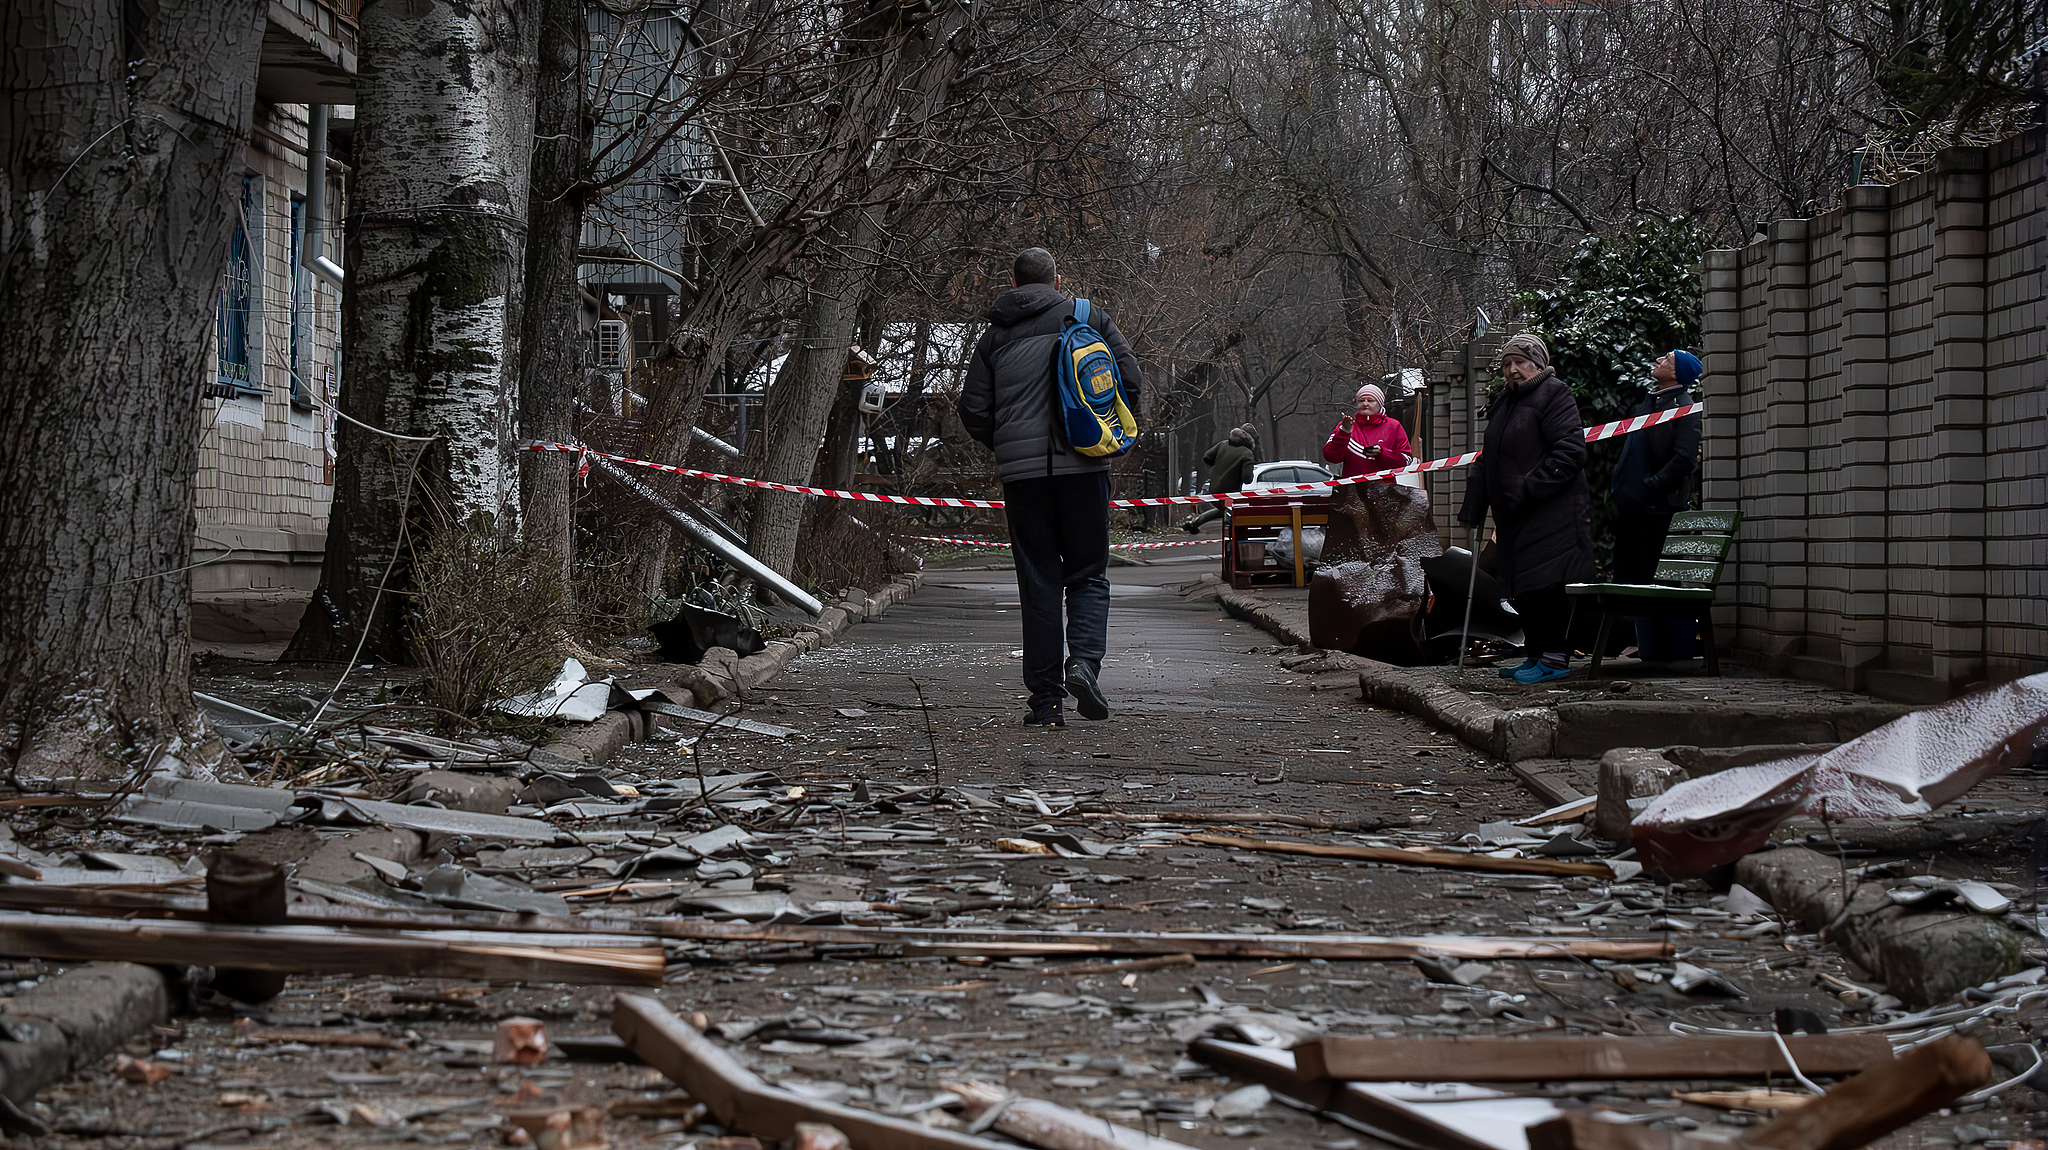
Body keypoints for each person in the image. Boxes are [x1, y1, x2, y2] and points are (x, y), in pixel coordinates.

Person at [960, 247, 1144, 727]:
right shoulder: (1087, 316)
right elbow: (1130, 380)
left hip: (1024, 479)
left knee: (1039, 580)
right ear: (1056, 278)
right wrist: (1106, 431)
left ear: (1013, 280)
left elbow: (974, 411)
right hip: (1085, 468)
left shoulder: (994, 337)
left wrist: (1007, 444)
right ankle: (1083, 663)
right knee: (1088, 572)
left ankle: (1045, 703)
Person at [1456, 334, 1595, 684]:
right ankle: (1536, 655)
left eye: (1520, 362)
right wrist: (1474, 505)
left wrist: (1529, 487)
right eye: (1507, 363)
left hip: (1554, 515)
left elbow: (1571, 451)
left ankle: (1555, 659)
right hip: (1518, 517)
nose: (1513, 369)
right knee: (1524, 588)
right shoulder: (1505, 403)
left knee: (1547, 587)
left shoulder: (1554, 394)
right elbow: (1488, 459)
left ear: (1537, 363)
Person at [1609, 348, 1705, 660]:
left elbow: (1683, 459)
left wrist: (1652, 487)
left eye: (1665, 359)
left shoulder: (1684, 408)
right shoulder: (1650, 403)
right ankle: (1647, 646)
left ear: (1678, 374)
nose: (1657, 361)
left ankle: (1671, 652)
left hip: (1657, 511)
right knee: (1633, 580)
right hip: (1632, 509)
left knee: (1658, 581)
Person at [1322, 383, 1413, 481]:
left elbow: (1406, 460)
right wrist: (1344, 432)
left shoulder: (1394, 426)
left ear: (1379, 403)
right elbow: (1330, 457)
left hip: (1384, 490)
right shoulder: (1345, 426)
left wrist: (1382, 453)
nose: (1365, 404)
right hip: (1352, 490)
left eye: (1370, 400)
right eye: (1361, 400)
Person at [1182, 426, 1257, 533]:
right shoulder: (1247, 453)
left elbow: (1207, 457)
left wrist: (1219, 465)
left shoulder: (1223, 444)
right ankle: (1235, 536)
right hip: (1230, 493)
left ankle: (1194, 524)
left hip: (1214, 489)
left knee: (1223, 510)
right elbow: (1247, 478)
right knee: (1234, 511)